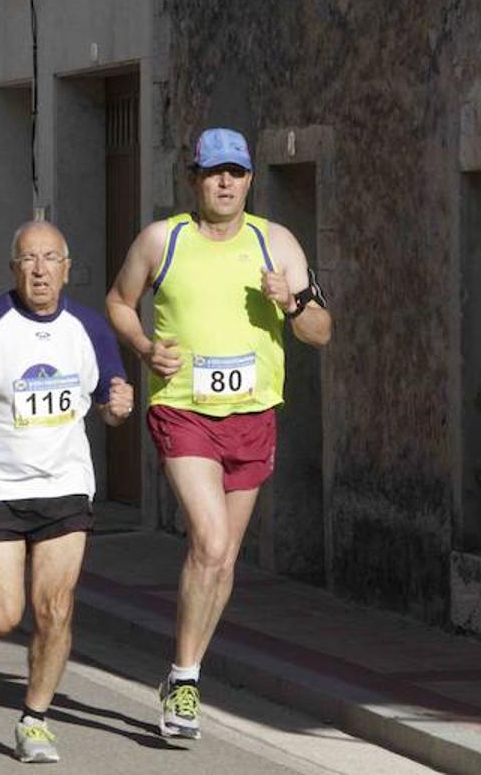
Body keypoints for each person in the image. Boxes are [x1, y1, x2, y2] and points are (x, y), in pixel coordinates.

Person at [104, 127, 332, 740]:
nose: (225, 183)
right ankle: (183, 680)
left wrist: (292, 302)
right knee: (207, 541)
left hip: (255, 414)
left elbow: (321, 331)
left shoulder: (276, 242)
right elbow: (119, 302)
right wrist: (147, 348)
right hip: (183, 409)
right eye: (213, 173)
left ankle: (188, 673)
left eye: (236, 172)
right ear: (194, 179)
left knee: (224, 557)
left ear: (251, 179)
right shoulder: (163, 239)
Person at [0, 220, 131, 764]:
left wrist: (118, 408)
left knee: (55, 607)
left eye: (50, 258)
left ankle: (35, 718)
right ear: (13, 268)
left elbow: (111, 399)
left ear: (67, 267)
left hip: (65, 485)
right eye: (28, 259)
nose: (39, 269)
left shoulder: (89, 329)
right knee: (3, 612)